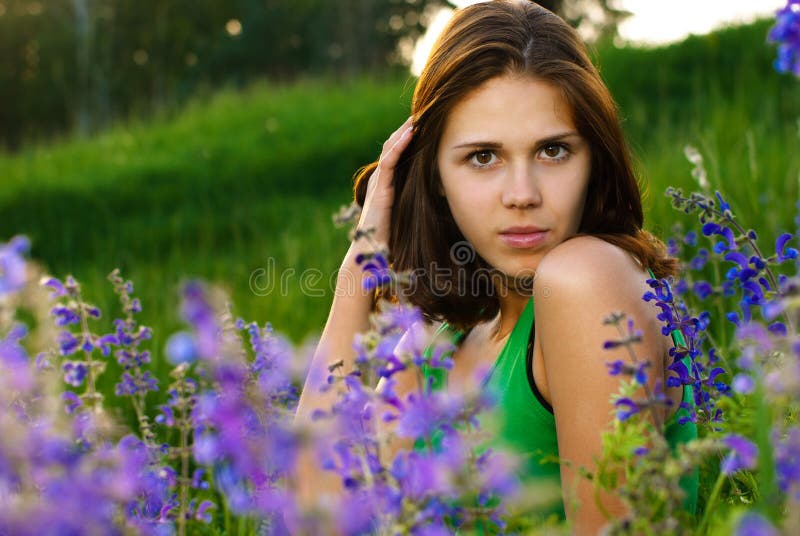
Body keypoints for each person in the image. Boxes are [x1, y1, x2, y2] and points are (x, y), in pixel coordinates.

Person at [294, 0, 698, 532]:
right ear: (434, 174)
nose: (522, 194)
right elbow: (314, 509)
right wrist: (363, 260)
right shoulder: (439, 341)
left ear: (593, 158)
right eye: (483, 156)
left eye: (553, 151)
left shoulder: (585, 281)